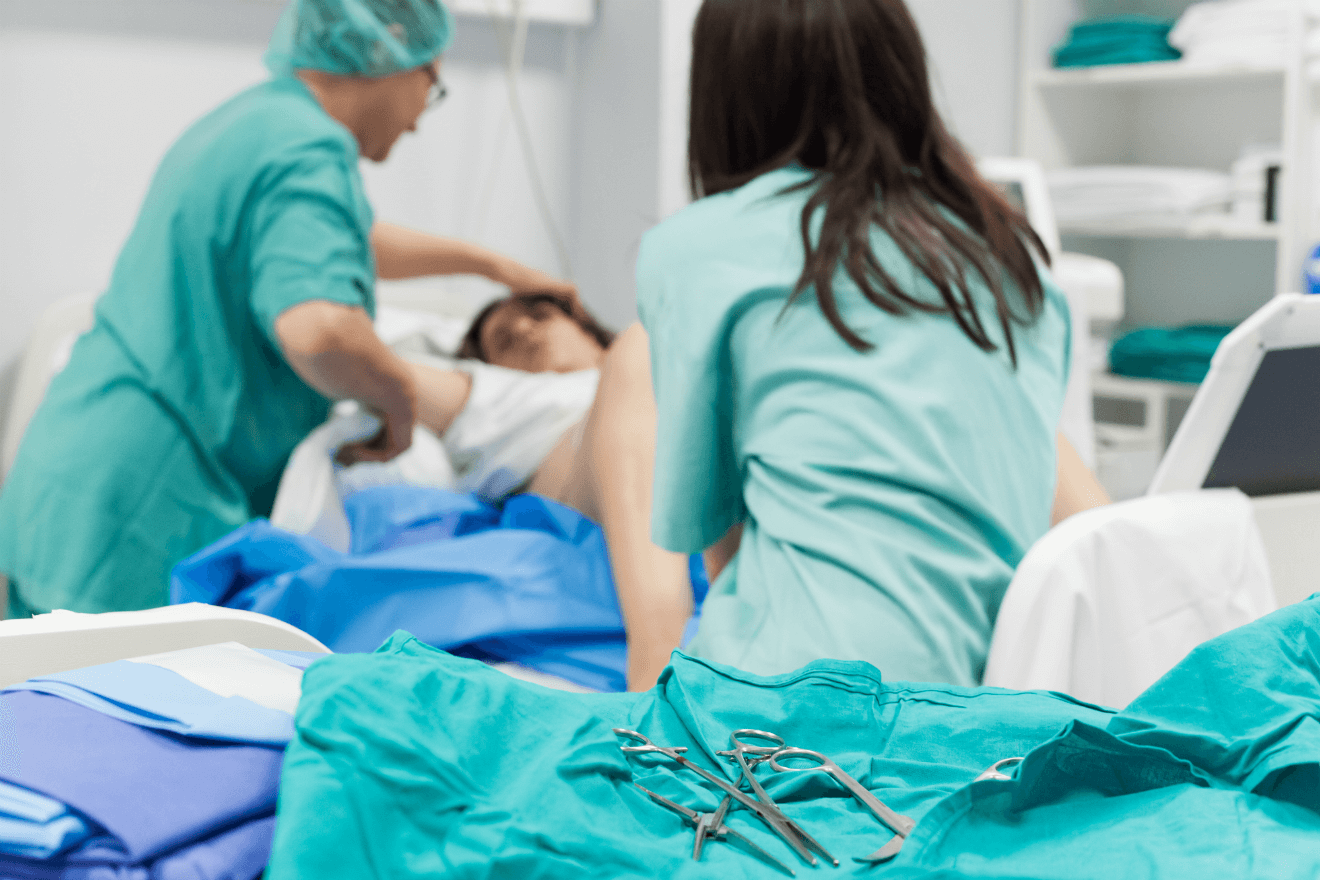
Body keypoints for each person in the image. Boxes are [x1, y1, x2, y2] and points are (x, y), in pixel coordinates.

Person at [0, 0, 572, 618]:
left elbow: (333, 239)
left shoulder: (259, 122)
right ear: (391, 54)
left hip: (79, 471)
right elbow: (320, 328)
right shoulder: (310, 150)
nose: (417, 122)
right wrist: (397, 398)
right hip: (146, 496)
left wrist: (489, 265)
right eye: (432, 85)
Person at [621, 0, 1109, 688]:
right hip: (988, 716)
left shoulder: (695, 251)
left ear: (724, 92)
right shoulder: (1013, 262)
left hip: (790, 721)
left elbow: (712, 542)